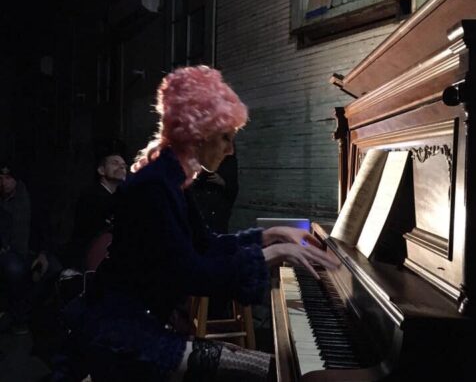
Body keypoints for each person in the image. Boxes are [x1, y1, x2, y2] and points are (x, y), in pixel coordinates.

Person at [58, 66, 337, 382]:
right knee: (267, 371)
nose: (230, 149)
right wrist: (270, 256)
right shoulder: (154, 185)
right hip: (124, 333)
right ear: (196, 135)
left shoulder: (171, 177)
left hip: (141, 320)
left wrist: (267, 237)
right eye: (225, 138)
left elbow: (205, 242)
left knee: (273, 368)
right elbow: (190, 271)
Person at [0, 162, 61, 335]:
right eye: (1, 178)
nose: (4, 183)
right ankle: (18, 317)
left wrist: (42, 254)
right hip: (8, 250)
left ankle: (24, 313)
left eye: (8, 178)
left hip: (31, 249)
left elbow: (44, 228)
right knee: (15, 270)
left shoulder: (29, 198)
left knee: (54, 269)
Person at [68, 152, 127, 270]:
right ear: (101, 170)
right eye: (115, 163)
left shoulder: (121, 197)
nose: (121, 167)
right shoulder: (91, 195)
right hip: (90, 255)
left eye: (124, 166)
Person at [189, 150, 239, 234]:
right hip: (199, 203)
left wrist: (223, 181)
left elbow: (233, 186)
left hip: (217, 207)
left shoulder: (228, 159)